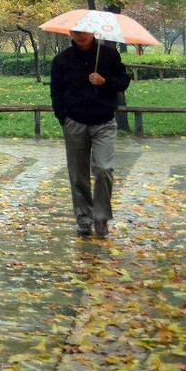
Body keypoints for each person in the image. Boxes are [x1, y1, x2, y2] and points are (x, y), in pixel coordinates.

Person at [50, 29, 131, 238]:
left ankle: (101, 216)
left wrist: (104, 81)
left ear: (92, 32)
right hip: (75, 122)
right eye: (76, 32)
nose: (81, 36)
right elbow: (56, 92)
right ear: (70, 32)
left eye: (84, 32)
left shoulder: (109, 55)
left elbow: (123, 81)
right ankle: (84, 217)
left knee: (104, 168)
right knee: (78, 174)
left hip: (103, 121)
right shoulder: (62, 59)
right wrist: (64, 117)